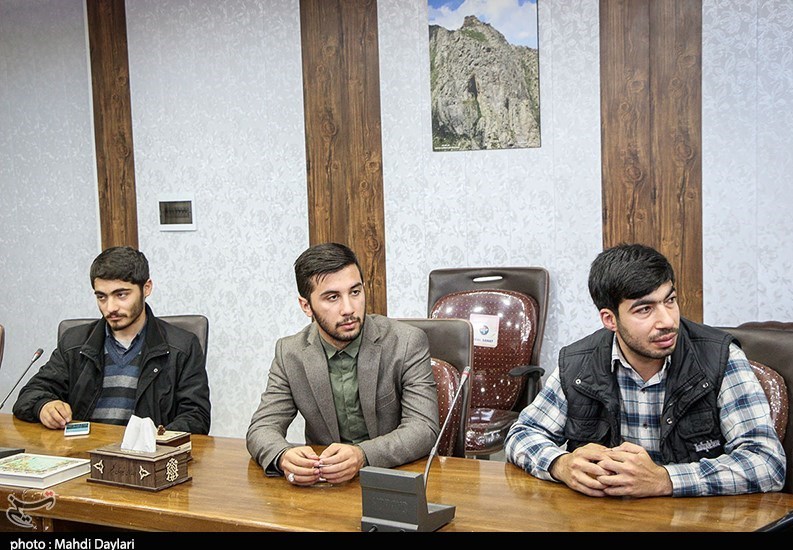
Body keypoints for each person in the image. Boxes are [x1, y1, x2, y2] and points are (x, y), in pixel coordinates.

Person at [505, 243, 786, 498]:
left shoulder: (719, 357)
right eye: (644, 309)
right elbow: (522, 434)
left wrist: (665, 479)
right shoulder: (579, 363)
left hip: (695, 520)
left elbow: (767, 462)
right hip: (607, 519)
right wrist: (560, 464)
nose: (667, 321)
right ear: (610, 319)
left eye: (670, 300)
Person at [246, 242, 439, 486]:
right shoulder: (290, 353)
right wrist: (283, 456)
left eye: (355, 292)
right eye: (333, 297)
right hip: (327, 484)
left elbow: (423, 427)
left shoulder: (406, 342)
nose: (348, 309)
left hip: (397, 479)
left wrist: (363, 455)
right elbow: (262, 428)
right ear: (306, 306)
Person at [13, 246, 211, 434]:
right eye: (102, 297)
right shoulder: (75, 342)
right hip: (83, 449)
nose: (110, 308)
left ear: (146, 288)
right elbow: (30, 394)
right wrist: (44, 406)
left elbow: (196, 416)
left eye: (121, 295)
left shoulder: (182, 346)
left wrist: (156, 439)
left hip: (148, 452)